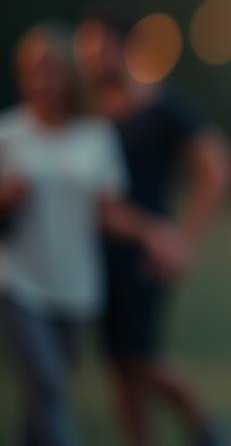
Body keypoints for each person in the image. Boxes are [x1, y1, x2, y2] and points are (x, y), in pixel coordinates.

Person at [0, 24, 182, 446]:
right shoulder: (9, 135)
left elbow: (109, 213)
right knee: (48, 387)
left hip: (75, 289)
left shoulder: (94, 136)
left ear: (68, 75)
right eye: (32, 70)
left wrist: (151, 232)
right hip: (18, 285)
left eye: (50, 70)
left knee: (41, 399)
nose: (41, 81)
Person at [73, 10, 231, 446]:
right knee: (120, 366)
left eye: (100, 48)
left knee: (142, 358)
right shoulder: (88, 115)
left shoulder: (160, 108)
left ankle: (208, 430)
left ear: (124, 49)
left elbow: (216, 165)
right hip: (96, 251)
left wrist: (185, 239)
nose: (90, 59)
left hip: (147, 254)